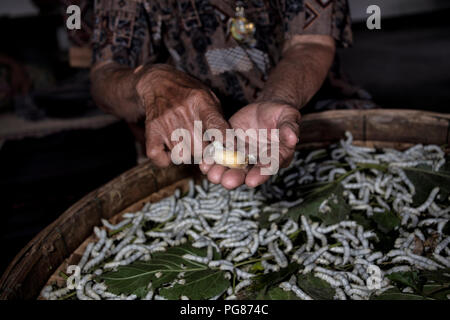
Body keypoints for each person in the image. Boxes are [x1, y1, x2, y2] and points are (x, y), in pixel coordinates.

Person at [90, 0, 357, 189]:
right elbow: (104, 76)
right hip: (187, 136)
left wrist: (277, 98)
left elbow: (311, 42)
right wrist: (147, 82)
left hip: (306, 105)